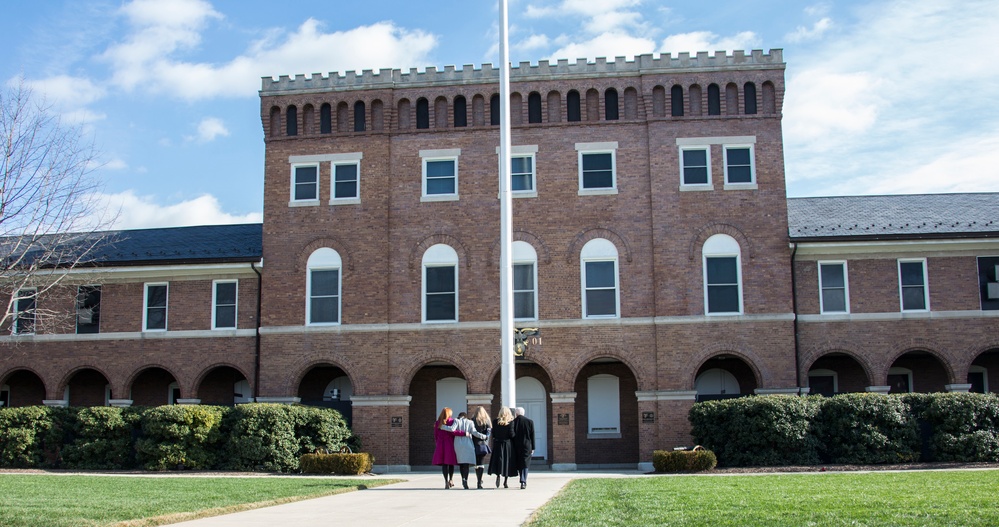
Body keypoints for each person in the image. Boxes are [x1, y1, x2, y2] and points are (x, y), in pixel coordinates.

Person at [432, 407, 466, 489]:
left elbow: (435, 435)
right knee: (450, 463)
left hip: (440, 445)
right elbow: (454, 432)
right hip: (449, 444)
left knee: (444, 464)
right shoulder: (451, 421)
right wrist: (464, 433)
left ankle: (446, 481)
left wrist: (437, 443)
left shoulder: (437, 423)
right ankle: (451, 479)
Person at [487, 406, 517, 488]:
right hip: (507, 444)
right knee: (507, 461)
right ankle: (505, 481)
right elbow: (511, 434)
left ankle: (498, 476)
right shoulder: (510, 422)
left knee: (498, 460)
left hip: (497, 443)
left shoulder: (495, 421)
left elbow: (493, 433)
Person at [452, 411, 483, 489]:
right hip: (467, 443)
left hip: (458, 444)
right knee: (466, 464)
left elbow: (452, 431)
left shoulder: (456, 421)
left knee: (461, 463)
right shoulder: (470, 422)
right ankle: (466, 479)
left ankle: (463, 478)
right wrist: (483, 436)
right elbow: (474, 432)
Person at [511, 407, 536, 489]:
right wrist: (533, 447)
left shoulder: (513, 422)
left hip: (516, 445)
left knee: (519, 462)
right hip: (527, 445)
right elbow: (532, 436)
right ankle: (523, 480)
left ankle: (521, 478)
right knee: (525, 463)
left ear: (516, 414)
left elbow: (511, 435)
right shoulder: (529, 422)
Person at [470, 406, 492, 489]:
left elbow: (471, 432)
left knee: (476, 464)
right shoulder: (487, 421)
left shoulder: (472, 420)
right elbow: (488, 433)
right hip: (483, 445)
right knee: (481, 463)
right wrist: (486, 440)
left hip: (474, 444)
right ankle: (480, 480)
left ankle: (478, 479)